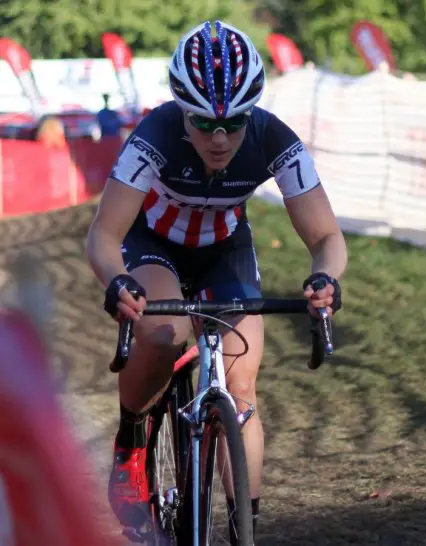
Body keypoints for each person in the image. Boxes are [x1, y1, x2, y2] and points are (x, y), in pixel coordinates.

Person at [85, 19, 347, 543]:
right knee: (163, 334)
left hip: (224, 249)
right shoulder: (154, 135)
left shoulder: (275, 138)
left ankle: (243, 528)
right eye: (204, 124)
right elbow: (103, 235)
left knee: (242, 387)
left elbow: (326, 237)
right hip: (154, 244)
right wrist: (117, 281)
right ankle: (132, 441)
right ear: (182, 109)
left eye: (235, 123)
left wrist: (326, 277)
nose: (221, 138)